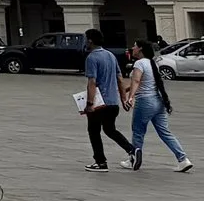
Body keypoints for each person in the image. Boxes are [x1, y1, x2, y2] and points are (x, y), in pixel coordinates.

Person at [127, 40, 191, 172]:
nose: (132, 48)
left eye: (134, 46)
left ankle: (132, 159)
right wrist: (126, 90)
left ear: (140, 49)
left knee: (138, 132)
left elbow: (136, 80)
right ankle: (183, 159)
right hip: (158, 101)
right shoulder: (152, 63)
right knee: (164, 132)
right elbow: (144, 82)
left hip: (145, 101)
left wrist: (131, 96)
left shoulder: (139, 63)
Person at [81, 33, 136, 169]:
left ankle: (101, 162)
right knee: (110, 130)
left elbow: (92, 82)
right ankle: (132, 150)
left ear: (90, 40)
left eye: (85, 40)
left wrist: (89, 103)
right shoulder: (110, 55)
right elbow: (119, 78)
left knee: (94, 131)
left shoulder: (92, 58)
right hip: (113, 102)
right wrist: (123, 99)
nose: (84, 43)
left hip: (100, 103)